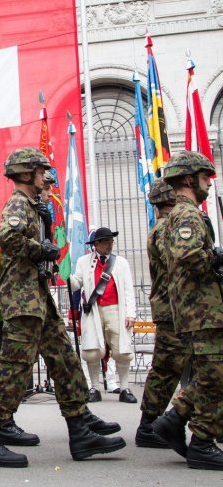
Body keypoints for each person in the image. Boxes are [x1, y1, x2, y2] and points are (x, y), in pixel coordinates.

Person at [0, 147, 125, 468]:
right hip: (22, 298)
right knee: (14, 367)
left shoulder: (33, 205)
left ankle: (80, 426)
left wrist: (44, 253)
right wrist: (40, 249)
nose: (46, 177)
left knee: (64, 359)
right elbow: (8, 238)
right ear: (26, 174)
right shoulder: (18, 203)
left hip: (37, 296)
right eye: (41, 172)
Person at [153, 151, 223, 470]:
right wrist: (216, 258)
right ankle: (203, 443)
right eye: (204, 177)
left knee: (212, 372)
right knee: (214, 376)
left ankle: (175, 418)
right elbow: (189, 255)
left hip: (199, 308)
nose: (208, 182)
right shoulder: (188, 214)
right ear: (188, 179)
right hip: (201, 309)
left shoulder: (184, 214)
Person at [135, 178, 189, 449]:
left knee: (168, 369)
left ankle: (153, 426)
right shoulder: (167, 229)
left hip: (171, 307)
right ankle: (149, 428)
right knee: (166, 369)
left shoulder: (161, 227)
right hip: (173, 308)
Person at [70, 227, 137, 403]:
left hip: (115, 309)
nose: (110, 244)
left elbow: (128, 289)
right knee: (92, 350)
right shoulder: (84, 262)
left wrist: (131, 313)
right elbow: (77, 282)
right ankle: (95, 388)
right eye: (106, 241)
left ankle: (124, 388)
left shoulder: (121, 263)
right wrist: (66, 277)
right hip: (93, 311)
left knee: (122, 351)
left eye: (111, 241)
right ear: (96, 244)